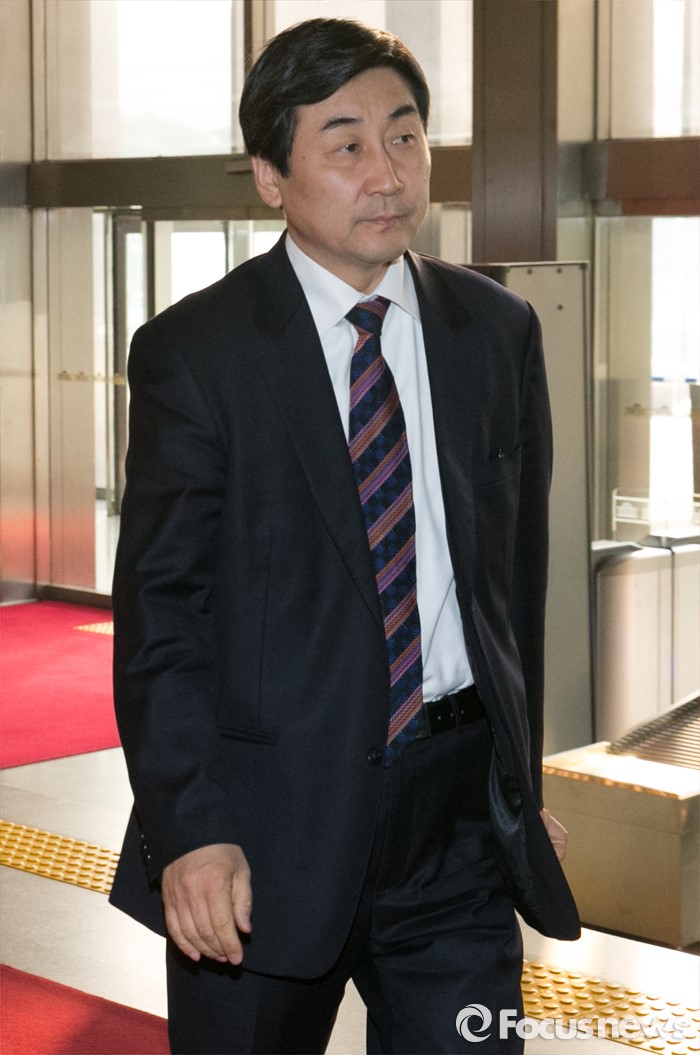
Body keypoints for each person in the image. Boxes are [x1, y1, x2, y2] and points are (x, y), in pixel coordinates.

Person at [109, 17, 579, 1055]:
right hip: (265, 835)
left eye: (405, 135)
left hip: (457, 829)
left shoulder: (495, 331)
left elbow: (512, 590)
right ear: (270, 177)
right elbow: (162, 619)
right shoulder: (198, 353)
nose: (388, 173)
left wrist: (517, 786)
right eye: (347, 144)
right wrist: (191, 827)